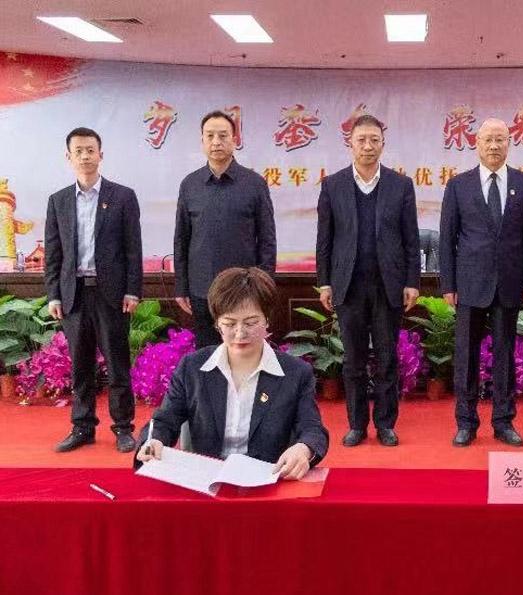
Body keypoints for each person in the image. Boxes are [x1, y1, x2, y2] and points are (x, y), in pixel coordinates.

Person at [135, 267, 329, 479]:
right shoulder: (192, 368)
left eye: (251, 323)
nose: (240, 333)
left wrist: (303, 448)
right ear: (217, 323)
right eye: (229, 323)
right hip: (205, 480)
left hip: (267, 479)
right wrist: (154, 441)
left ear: (267, 319)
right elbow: (164, 421)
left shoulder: (295, 373)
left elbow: (312, 429)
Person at [316, 114, 420, 447]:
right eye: (361, 139)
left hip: (389, 285)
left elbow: (411, 239)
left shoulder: (400, 185)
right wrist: (325, 282)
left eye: (374, 140)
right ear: (350, 143)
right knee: (353, 361)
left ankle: (386, 424)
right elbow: (325, 240)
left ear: (383, 144)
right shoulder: (333, 185)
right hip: (348, 286)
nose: (367, 146)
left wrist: (412, 281)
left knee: (387, 358)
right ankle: (357, 425)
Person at [439, 118, 523, 447]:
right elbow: (447, 238)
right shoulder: (459, 185)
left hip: (509, 283)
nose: (494, 146)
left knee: (505, 355)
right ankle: (466, 422)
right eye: (488, 140)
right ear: (477, 144)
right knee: (466, 356)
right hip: (469, 283)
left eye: (500, 139)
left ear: (509, 143)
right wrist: (448, 284)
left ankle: (503, 421)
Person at [45, 127, 143, 453]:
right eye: (79, 151)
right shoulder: (58, 201)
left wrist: (132, 290)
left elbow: (133, 249)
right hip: (73, 295)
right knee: (80, 366)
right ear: (68, 157)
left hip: (110, 294)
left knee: (117, 364)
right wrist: (54, 294)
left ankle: (123, 428)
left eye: (90, 150)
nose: (85, 156)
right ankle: (82, 427)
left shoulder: (123, 197)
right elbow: (53, 253)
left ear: (101, 154)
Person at [174, 110, 276, 349]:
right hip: (202, 289)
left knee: (244, 351)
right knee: (208, 353)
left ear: (235, 140)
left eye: (223, 135)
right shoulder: (190, 184)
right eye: (210, 136)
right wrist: (181, 286)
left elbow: (267, 240)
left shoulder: (254, 183)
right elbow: (181, 239)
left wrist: (264, 286)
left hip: (244, 291)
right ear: (202, 141)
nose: (216, 142)